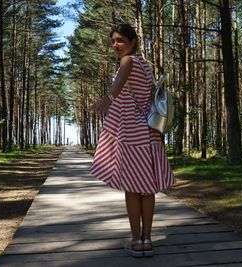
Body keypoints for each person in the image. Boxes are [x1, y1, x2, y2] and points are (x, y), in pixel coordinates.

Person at [90, 23, 175, 258]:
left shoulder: (128, 61)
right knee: (146, 189)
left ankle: (137, 240)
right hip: (150, 133)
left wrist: (107, 99)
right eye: (113, 41)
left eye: (121, 41)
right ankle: (147, 239)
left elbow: (118, 85)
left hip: (132, 135)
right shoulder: (145, 65)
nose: (116, 45)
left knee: (131, 188)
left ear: (133, 42)